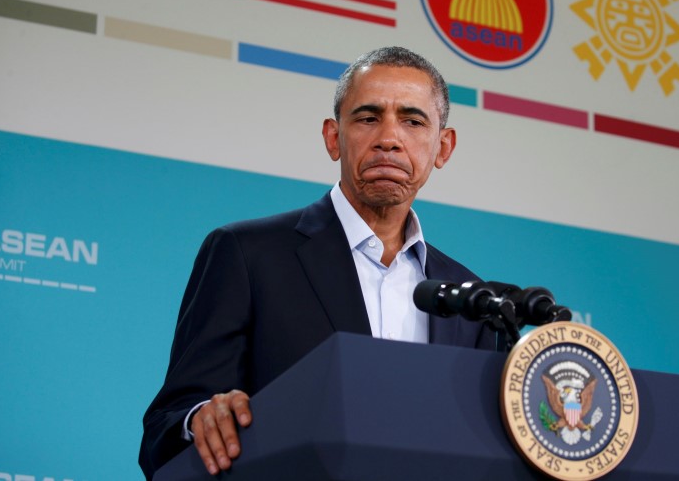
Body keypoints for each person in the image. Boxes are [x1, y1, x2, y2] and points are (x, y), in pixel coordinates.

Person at [138, 46, 496, 479]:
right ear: (333, 137)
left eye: (412, 120)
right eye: (367, 118)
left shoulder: (473, 301)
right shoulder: (246, 254)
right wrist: (199, 420)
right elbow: (165, 426)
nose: (388, 138)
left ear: (443, 145)